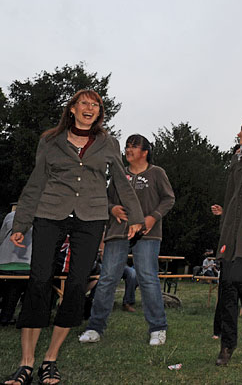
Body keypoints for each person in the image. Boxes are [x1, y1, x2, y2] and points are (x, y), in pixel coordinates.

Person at [4, 89, 144, 385]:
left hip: (90, 218)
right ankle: (26, 363)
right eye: (84, 103)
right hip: (50, 213)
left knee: (78, 285)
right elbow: (35, 183)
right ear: (72, 108)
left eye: (95, 104)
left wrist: (136, 216)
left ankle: (50, 359)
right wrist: (21, 223)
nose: (90, 107)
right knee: (39, 281)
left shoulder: (108, 143)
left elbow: (121, 181)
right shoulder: (50, 140)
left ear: (99, 112)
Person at [79, 134, 175, 347]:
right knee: (107, 278)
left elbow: (168, 199)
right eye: (127, 146)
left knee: (148, 278)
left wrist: (152, 217)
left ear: (145, 152)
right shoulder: (119, 173)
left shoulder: (157, 173)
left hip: (147, 233)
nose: (129, 150)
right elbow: (106, 198)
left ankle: (158, 328)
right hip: (118, 232)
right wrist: (112, 208)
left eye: (134, 146)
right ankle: (95, 327)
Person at [209, 117, 242, 366]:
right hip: (231, 231)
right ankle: (227, 344)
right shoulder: (237, 157)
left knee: (240, 282)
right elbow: (231, 193)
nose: (238, 133)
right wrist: (224, 220)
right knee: (228, 284)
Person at [0, 205, 32, 326]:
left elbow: (1, 237)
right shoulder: (41, 220)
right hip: (26, 265)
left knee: (11, 287)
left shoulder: (10, 216)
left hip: (3, 263)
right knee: (16, 288)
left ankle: (5, 316)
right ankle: (9, 317)